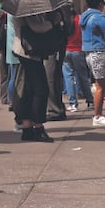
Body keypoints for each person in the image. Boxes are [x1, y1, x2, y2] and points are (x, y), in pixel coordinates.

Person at [11, 8, 68, 141]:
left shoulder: (26, 6)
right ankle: (38, 127)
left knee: (28, 91)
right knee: (40, 90)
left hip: (27, 52)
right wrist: (53, 21)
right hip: (28, 52)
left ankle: (27, 128)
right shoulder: (26, 9)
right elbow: (37, 28)